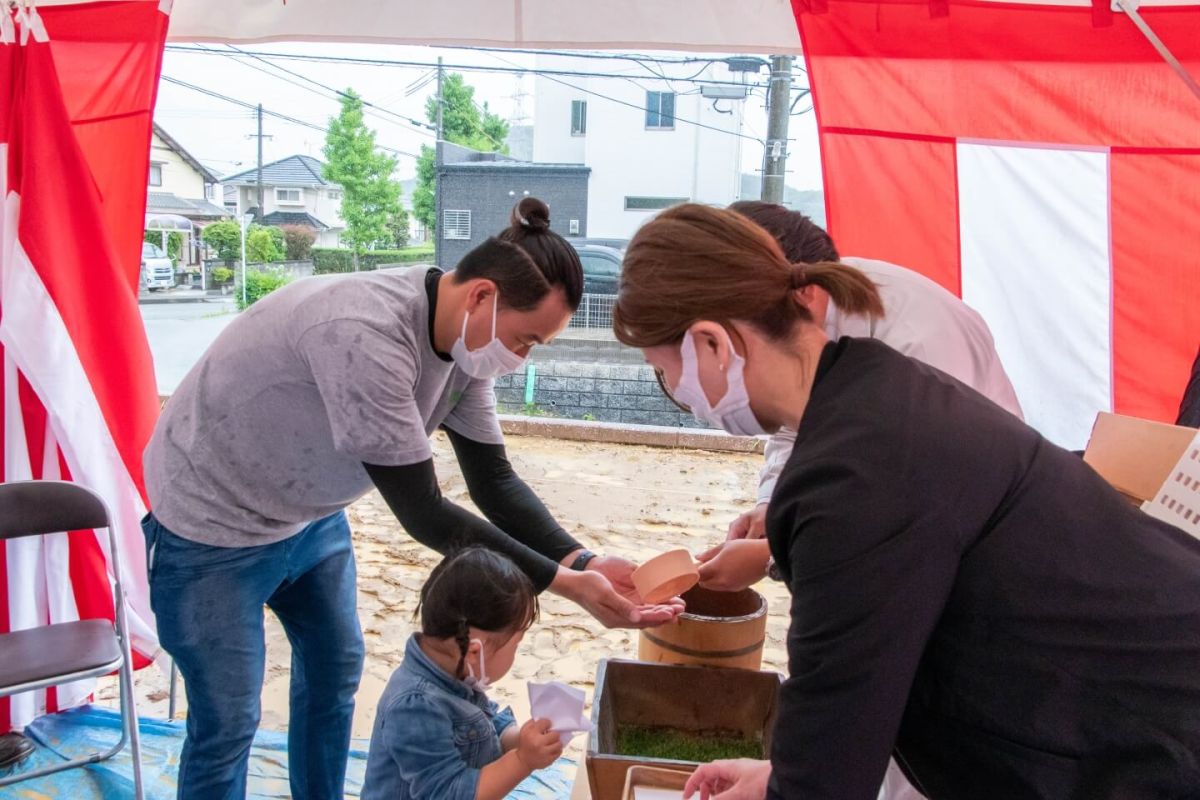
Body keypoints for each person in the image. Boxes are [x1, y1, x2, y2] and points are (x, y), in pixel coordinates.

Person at [613, 203, 1200, 800]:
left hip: (1150, 740)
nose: (680, 396)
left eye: (667, 376)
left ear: (711, 344)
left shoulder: (854, 479)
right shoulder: (875, 388)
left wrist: (793, 781)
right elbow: (862, 690)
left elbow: (829, 771)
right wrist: (776, 778)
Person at [142, 198, 680, 800]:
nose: (521, 358)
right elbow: (424, 512)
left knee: (335, 675)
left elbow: (492, 481)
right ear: (481, 296)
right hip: (212, 523)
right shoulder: (365, 334)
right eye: (527, 340)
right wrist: (563, 583)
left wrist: (581, 561)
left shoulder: (468, 352)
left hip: (309, 517)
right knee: (228, 718)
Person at [719, 200, 1021, 543]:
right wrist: (772, 504)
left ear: (802, 293)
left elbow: (920, 495)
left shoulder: (919, 341)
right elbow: (794, 426)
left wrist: (773, 556)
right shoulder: (801, 325)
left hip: (982, 528)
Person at [361, 547, 562, 799]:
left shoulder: (457, 673)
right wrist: (523, 761)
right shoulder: (415, 707)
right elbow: (451, 793)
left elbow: (486, 728)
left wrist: (522, 739)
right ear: (475, 652)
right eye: (516, 644)